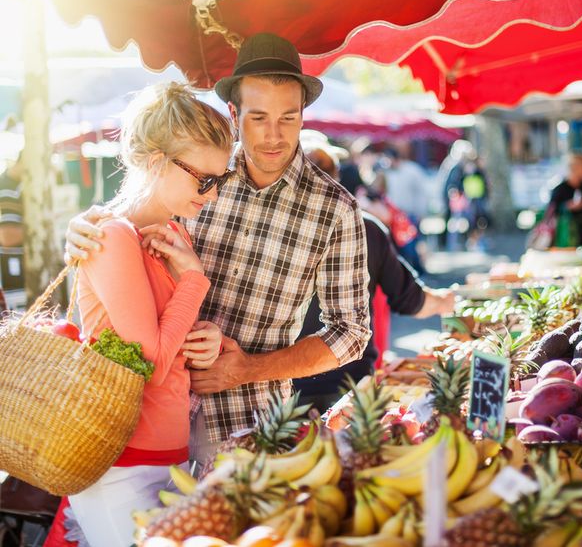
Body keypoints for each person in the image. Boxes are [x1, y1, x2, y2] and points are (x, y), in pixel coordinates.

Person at [64, 33, 371, 464]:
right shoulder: (199, 172)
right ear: (234, 113)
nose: (273, 135)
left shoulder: (335, 209)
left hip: (249, 425)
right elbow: (127, 225)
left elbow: (352, 334)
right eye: (258, 117)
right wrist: (83, 227)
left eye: (289, 118)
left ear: (304, 115)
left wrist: (250, 368)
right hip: (145, 419)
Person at [66, 82, 231, 546]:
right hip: (122, 464)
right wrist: (194, 282)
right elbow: (152, 364)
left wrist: (208, 339)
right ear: (157, 161)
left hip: (167, 456)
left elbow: (171, 347)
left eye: (219, 181)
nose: (212, 195)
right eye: (204, 180)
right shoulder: (112, 237)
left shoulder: (173, 238)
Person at [294, 145, 456, 410]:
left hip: (285, 385)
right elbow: (409, 299)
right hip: (350, 386)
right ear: (336, 178)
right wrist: (448, 302)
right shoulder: (365, 227)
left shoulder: (272, 230)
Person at [548, 154, 582, 247]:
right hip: (567, 238)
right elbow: (551, 211)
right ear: (575, 169)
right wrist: (567, 206)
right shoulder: (560, 189)